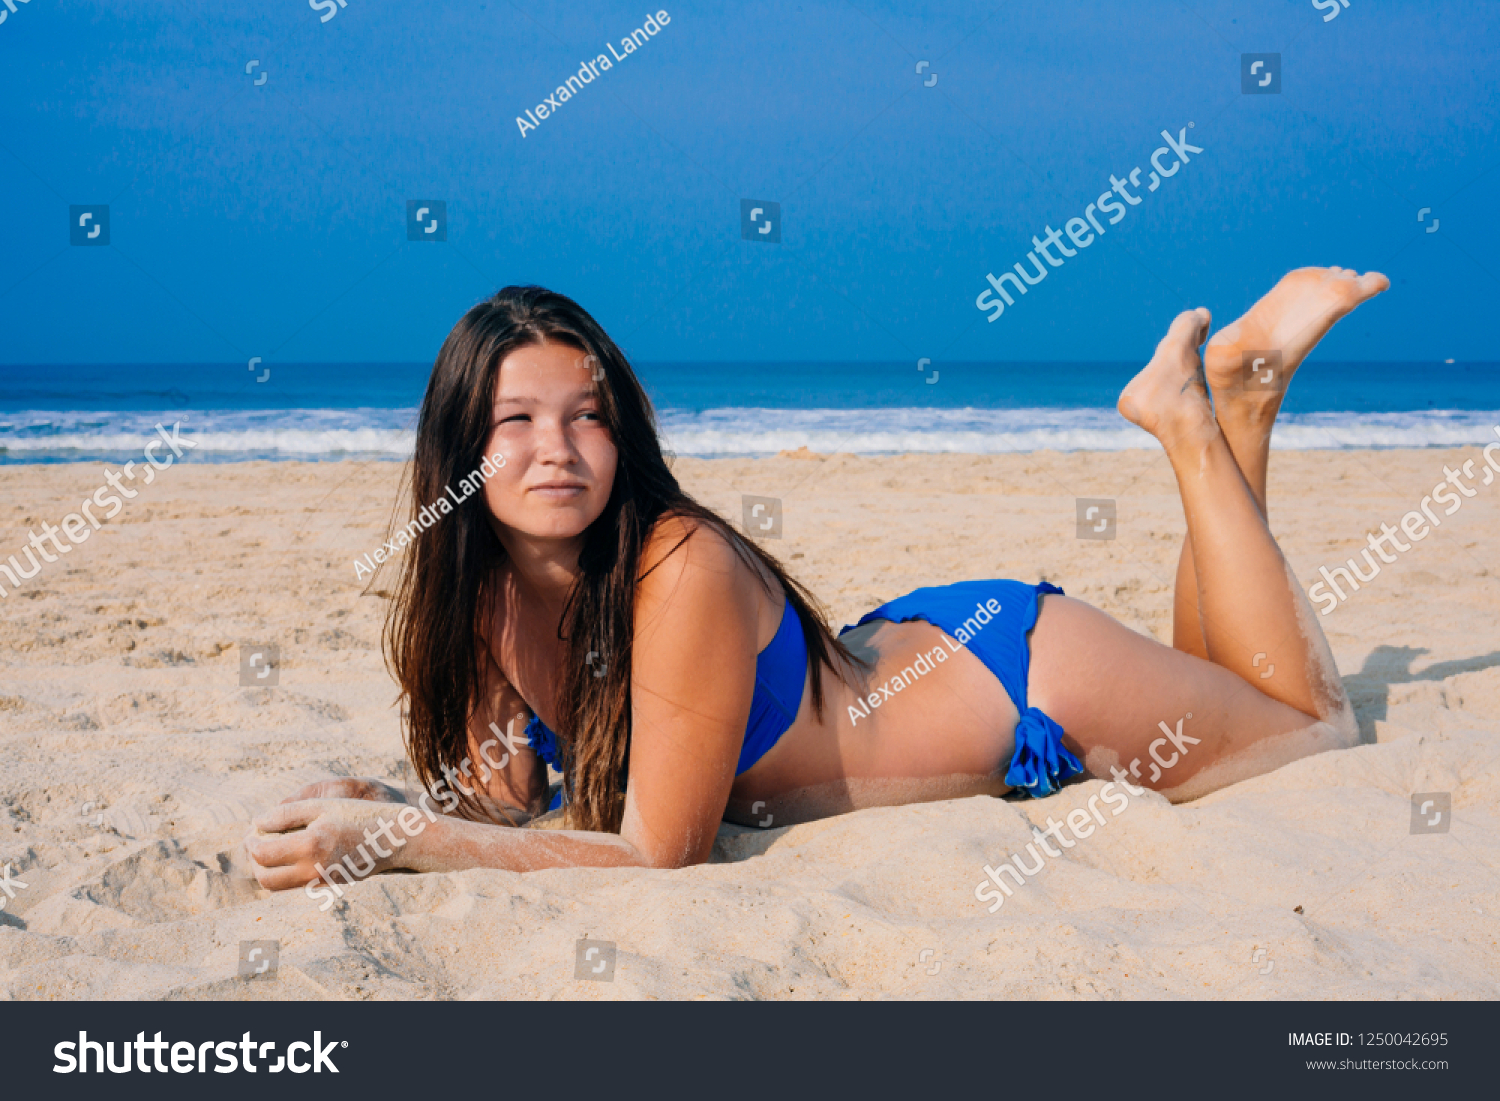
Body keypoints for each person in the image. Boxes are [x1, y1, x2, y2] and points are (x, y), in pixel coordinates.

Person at [246, 267, 1388, 889]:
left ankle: (1198, 426)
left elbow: (656, 856)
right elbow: (512, 816)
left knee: (1310, 733)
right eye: (517, 421)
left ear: (622, 432)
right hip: (909, 652)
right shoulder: (485, 593)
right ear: (460, 452)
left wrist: (411, 845)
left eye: (587, 416)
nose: (558, 448)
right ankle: (1238, 400)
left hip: (1024, 680)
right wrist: (388, 811)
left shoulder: (676, 566)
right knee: (1216, 676)